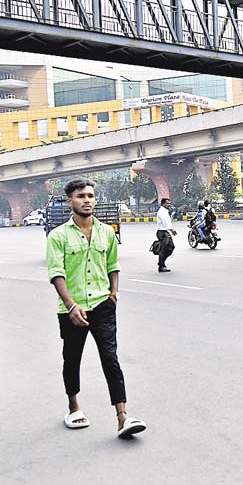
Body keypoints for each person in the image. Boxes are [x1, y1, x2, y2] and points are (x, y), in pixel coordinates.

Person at [46, 178, 147, 439]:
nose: (87, 200)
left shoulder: (106, 232)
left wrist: (113, 293)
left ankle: (122, 417)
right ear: (70, 200)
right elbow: (56, 273)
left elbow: (113, 264)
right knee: (72, 358)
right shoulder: (58, 236)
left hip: (103, 305)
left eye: (90, 195)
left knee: (110, 359)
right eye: (81, 196)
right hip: (72, 308)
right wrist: (70, 306)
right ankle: (74, 407)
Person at [155, 197, 176, 273]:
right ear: (163, 204)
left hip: (165, 232)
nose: (169, 205)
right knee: (163, 250)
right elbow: (165, 221)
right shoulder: (161, 212)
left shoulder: (165, 211)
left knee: (171, 247)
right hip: (162, 232)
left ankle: (161, 262)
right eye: (167, 203)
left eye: (169, 203)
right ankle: (161, 266)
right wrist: (171, 229)